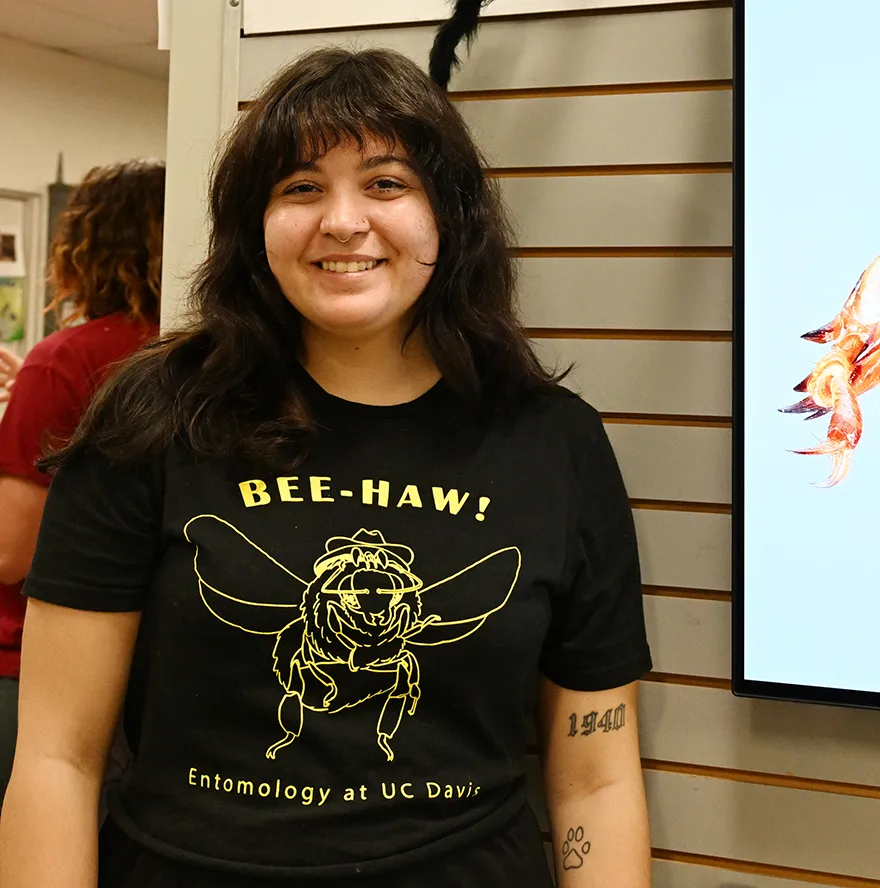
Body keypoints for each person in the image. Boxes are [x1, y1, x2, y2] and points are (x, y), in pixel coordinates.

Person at [0, 46, 652, 888]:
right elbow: (56, 759)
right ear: (253, 224)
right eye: (301, 187)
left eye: (386, 183)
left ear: (449, 216)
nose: (342, 221)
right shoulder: (150, 419)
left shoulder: (553, 444)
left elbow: (597, 783)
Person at [0, 160, 165, 803]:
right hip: (143, 675)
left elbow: (11, 552)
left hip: (29, 668)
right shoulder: (186, 351)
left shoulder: (65, 359)